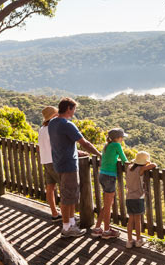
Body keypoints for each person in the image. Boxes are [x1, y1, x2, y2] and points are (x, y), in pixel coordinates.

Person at [48, 97, 102, 238]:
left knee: (70, 195)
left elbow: (60, 143)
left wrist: (75, 151)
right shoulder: (67, 125)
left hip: (58, 163)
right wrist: (99, 153)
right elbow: (85, 143)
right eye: (73, 109)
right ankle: (66, 228)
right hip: (68, 165)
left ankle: (71, 223)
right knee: (68, 197)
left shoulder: (52, 122)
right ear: (68, 109)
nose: (74, 112)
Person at [91, 128, 128, 239]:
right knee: (108, 205)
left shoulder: (106, 145)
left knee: (108, 203)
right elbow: (124, 159)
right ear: (117, 138)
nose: (122, 139)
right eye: (121, 137)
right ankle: (106, 231)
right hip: (109, 176)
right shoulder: (116, 145)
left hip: (102, 175)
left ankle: (97, 228)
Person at [125, 151, 156, 248]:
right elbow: (154, 165)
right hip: (138, 198)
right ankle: (138, 240)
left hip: (129, 197)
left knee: (130, 219)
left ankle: (129, 241)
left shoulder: (129, 168)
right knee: (137, 220)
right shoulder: (141, 169)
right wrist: (148, 163)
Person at [38, 106, 61, 221]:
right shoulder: (52, 129)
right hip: (55, 161)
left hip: (45, 160)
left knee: (50, 188)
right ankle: (66, 216)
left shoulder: (42, 129)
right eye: (57, 114)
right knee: (64, 188)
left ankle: (54, 213)